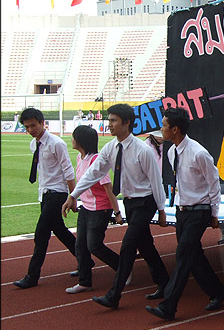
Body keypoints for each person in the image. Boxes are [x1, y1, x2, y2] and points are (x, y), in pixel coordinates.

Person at [62, 103, 170, 309]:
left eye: (113, 120)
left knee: (128, 246)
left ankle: (114, 295)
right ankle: (165, 283)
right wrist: (73, 195)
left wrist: (162, 209)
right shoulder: (110, 148)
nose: (108, 124)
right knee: (145, 245)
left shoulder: (142, 150)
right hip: (130, 202)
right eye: (108, 120)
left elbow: (156, 181)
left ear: (127, 123)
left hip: (145, 202)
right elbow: (92, 173)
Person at [145, 107, 224, 321]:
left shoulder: (198, 153)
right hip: (182, 212)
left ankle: (168, 306)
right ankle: (218, 292)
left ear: (174, 129)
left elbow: (213, 183)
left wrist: (214, 213)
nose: (161, 129)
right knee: (194, 257)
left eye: (164, 125)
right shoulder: (172, 151)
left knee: (183, 255)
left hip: (199, 211)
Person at [13, 108, 79, 289]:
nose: (30, 130)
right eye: (27, 127)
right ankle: (86, 261)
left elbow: (68, 170)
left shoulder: (56, 143)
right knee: (60, 230)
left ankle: (32, 276)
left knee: (41, 234)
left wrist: (72, 197)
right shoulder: (34, 144)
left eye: (33, 125)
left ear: (43, 123)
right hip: (45, 194)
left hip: (57, 194)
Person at [65, 125, 123, 294]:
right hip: (86, 208)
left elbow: (108, 187)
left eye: (74, 136)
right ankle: (84, 281)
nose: (72, 140)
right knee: (80, 245)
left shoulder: (96, 161)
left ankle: (122, 266)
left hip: (100, 209)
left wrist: (117, 212)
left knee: (94, 245)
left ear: (81, 140)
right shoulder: (79, 158)